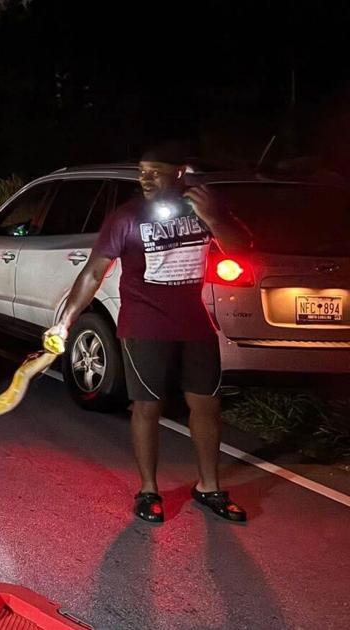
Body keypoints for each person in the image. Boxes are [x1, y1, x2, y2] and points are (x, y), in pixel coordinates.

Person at [45, 142, 252, 523]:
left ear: (180, 172)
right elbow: (94, 271)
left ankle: (209, 487)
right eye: (141, 171)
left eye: (155, 171)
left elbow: (243, 246)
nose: (145, 178)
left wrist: (214, 217)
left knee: (206, 405)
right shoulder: (127, 217)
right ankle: (148, 490)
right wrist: (66, 319)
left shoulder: (205, 208)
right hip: (145, 325)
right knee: (148, 407)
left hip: (194, 324)